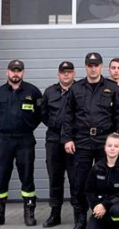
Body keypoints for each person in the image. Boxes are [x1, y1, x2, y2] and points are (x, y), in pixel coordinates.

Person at [62, 52, 119, 229]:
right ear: (85, 67)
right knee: (80, 181)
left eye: (96, 65)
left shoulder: (112, 87)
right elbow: (68, 116)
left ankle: (105, 213)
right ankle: (80, 216)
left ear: (101, 67)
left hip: (105, 141)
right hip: (82, 140)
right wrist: (67, 138)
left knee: (106, 179)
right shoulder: (76, 88)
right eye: (90, 65)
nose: (93, 68)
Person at [0, 59, 44, 228]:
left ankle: (29, 212)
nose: (15, 73)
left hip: (25, 140)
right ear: (7, 72)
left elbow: (40, 114)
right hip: (4, 141)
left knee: (27, 177)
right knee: (1, 177)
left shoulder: (33, 92)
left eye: (19, 70)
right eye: (13, 70)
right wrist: (3, 128)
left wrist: (27, 127)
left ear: (23, 72)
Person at [41, 61, 77, 227]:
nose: (66, 74)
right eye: (63, 72)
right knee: (55, 179)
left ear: (74, 74)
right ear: (58, 74)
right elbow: (43, 114)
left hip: (74, 141)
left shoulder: (80, 90)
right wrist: (55, 125)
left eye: (69, 72)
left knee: (76, 179)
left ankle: (79, 214)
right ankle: (55, 214)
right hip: (54, 141)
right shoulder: (49, 92)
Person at [85, 133, 119, 229]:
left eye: (116, 146)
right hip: (100, 206)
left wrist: (105, 205)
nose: (112, 148)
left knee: (117, 211)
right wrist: (96, 206)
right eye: (109, 145)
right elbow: (89, 190)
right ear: (105, 148)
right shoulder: (97, 167)